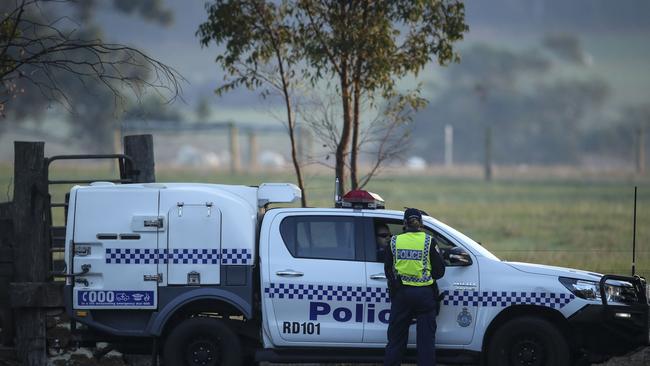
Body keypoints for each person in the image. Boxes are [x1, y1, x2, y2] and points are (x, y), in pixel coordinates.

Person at [384, 208, 446, 366]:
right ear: (421, 223)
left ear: (404, 223)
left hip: (402, 295)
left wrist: (397, 285)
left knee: (396, 339)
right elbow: (439, 272)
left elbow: (388, 270)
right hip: (424, 295)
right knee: (426, 342)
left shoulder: (394, 241)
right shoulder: (429, 241)